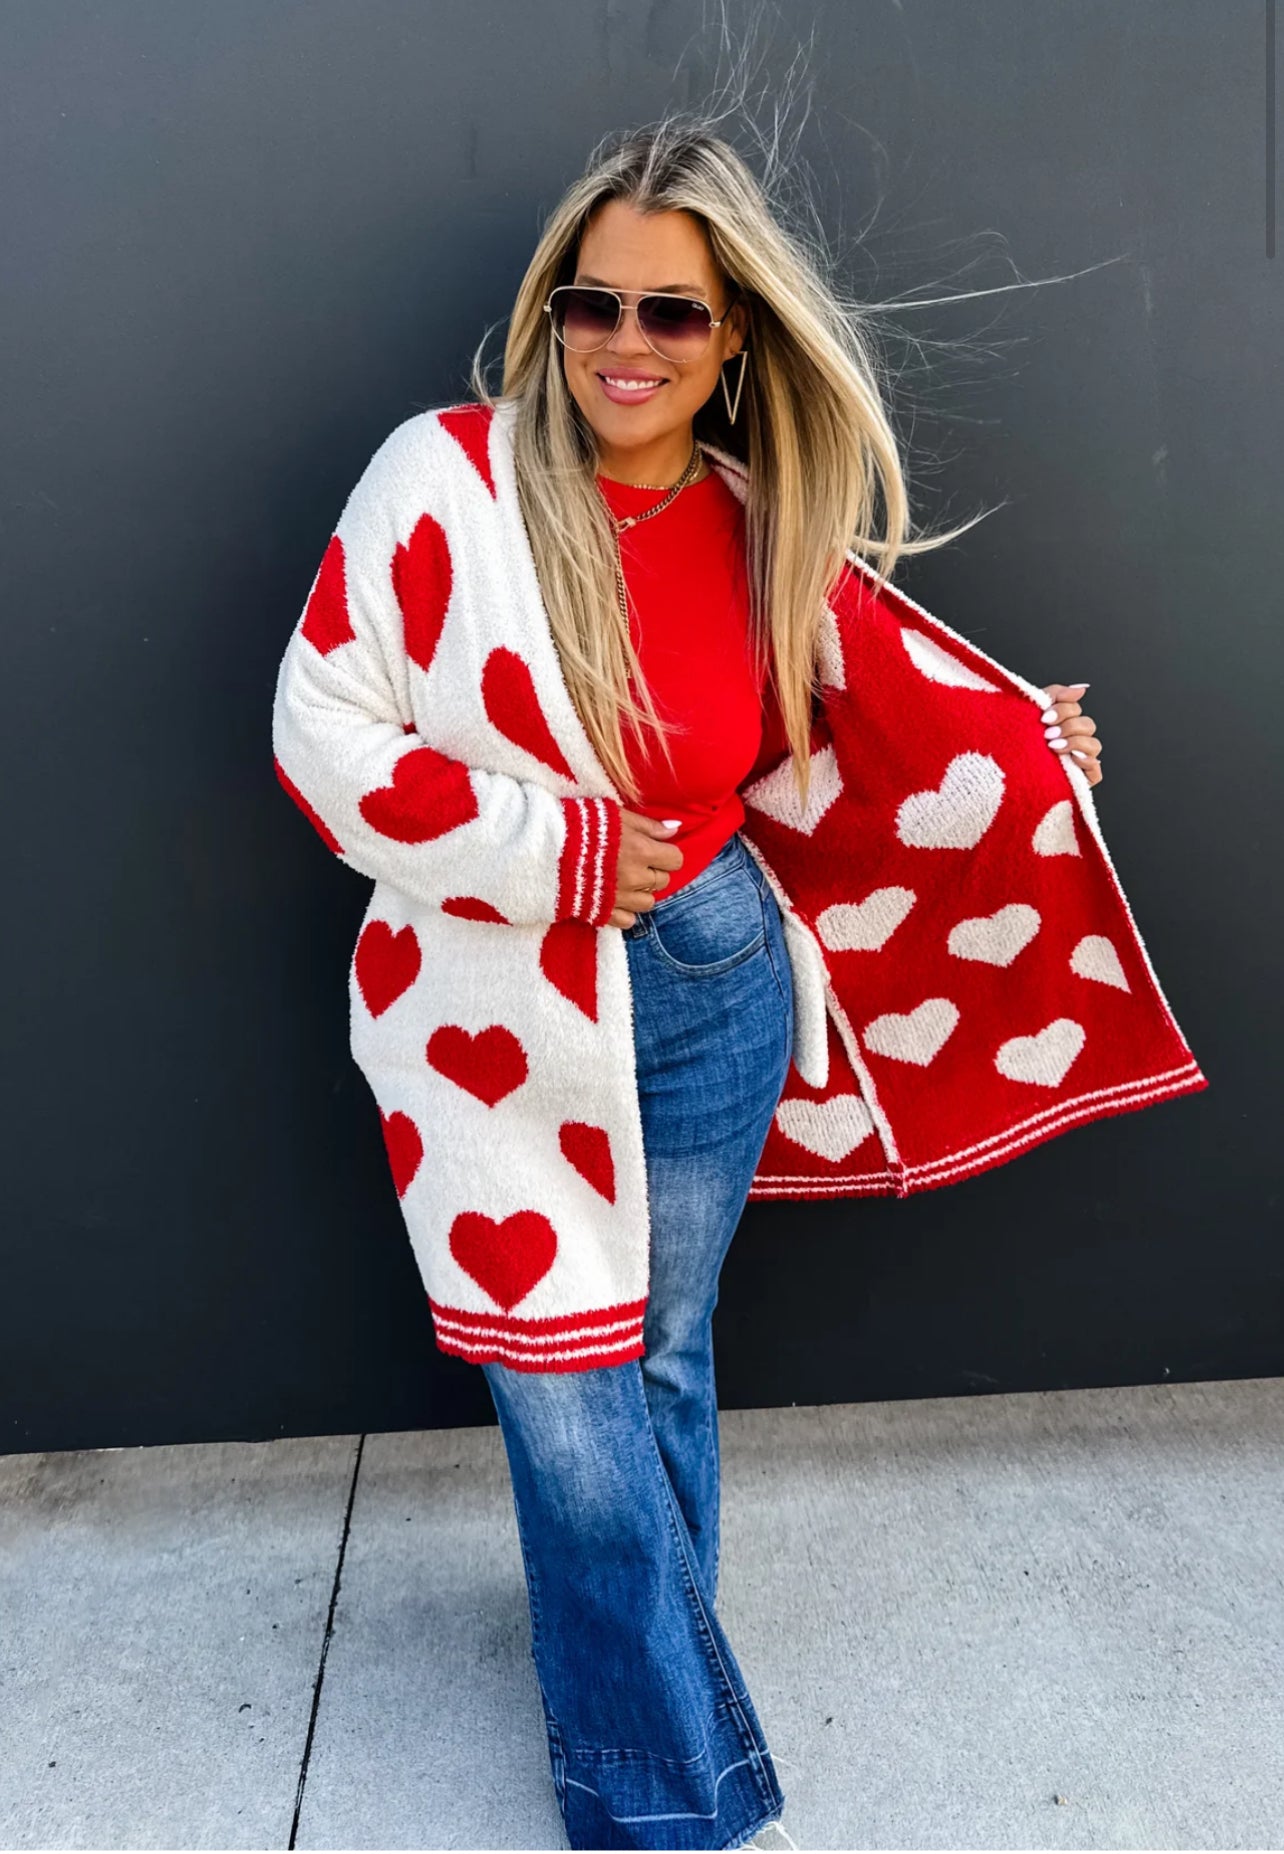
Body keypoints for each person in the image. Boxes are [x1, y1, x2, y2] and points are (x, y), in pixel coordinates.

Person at [275, 120, 1111, 1851]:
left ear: (733, 342)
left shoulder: (755, 521)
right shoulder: (441, 483)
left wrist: (1033, 754)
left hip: (714, 976)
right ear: (549, 313)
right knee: (564, 1389)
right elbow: (321, 731)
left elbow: (872, 726)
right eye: (595, 305)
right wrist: (559, 850)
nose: (626, 346)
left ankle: (627, 1700)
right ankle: (667, 1787)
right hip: (492, 1001)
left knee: (654, 1355)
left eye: (673, 314)